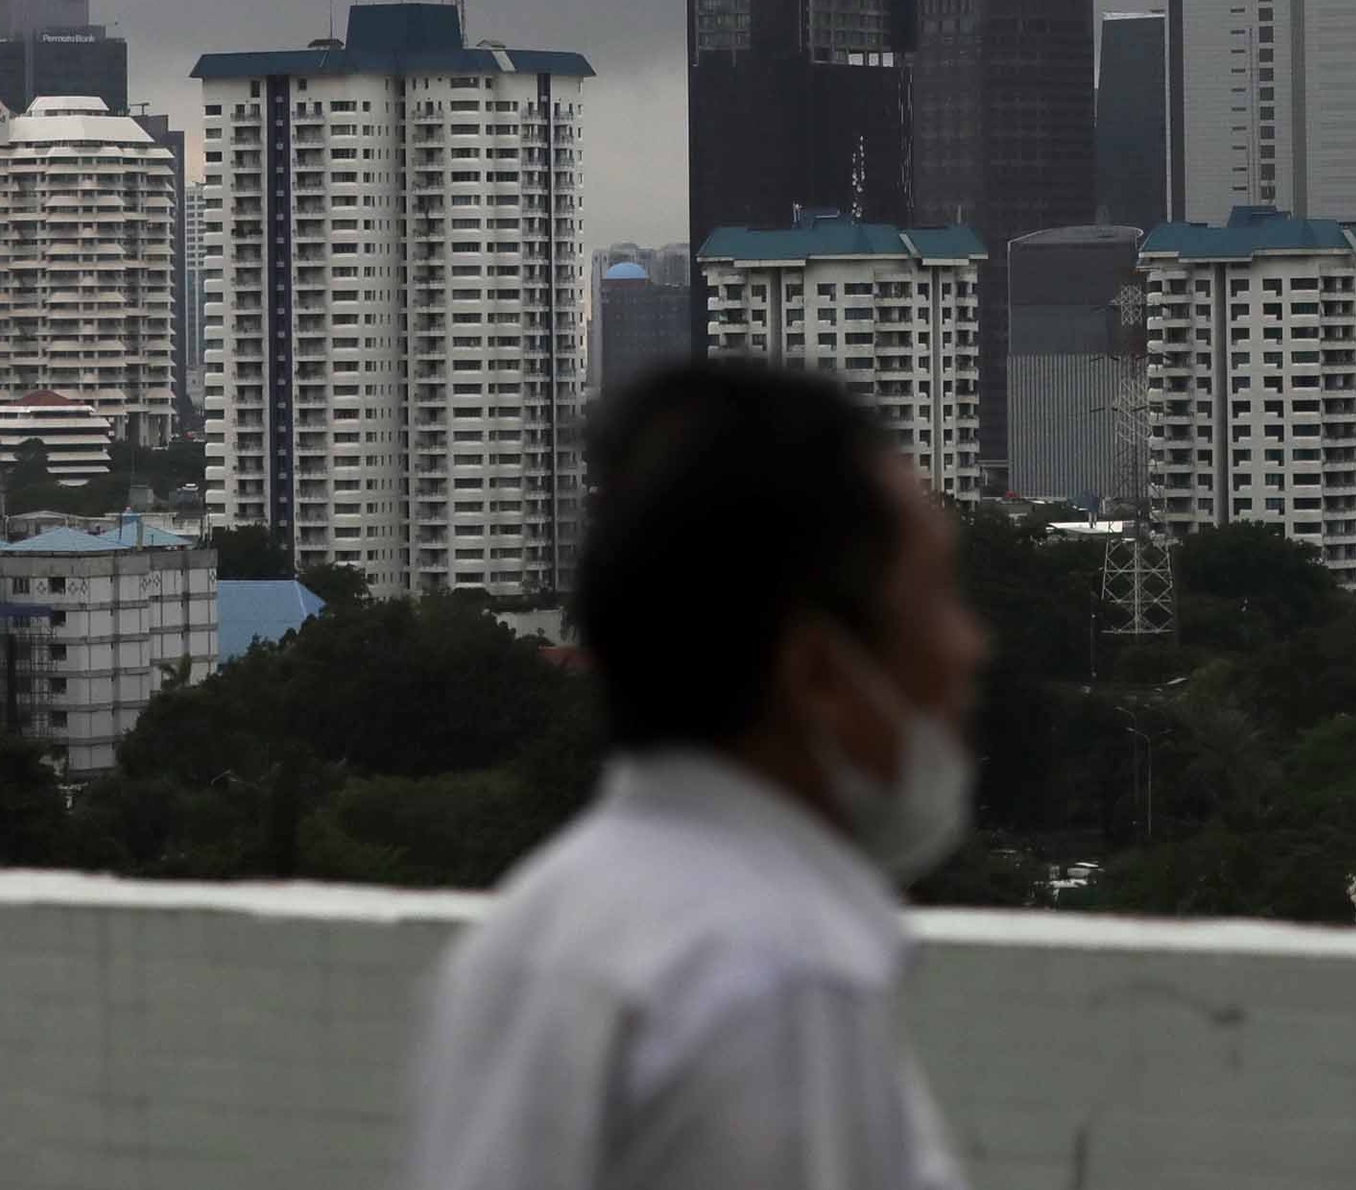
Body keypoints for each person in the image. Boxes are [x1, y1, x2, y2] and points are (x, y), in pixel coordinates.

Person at [404, 360, 989, 1190]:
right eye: (936, 601)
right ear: (818, 674)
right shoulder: (779, 980)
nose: (971, 647)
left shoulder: (529, 928)